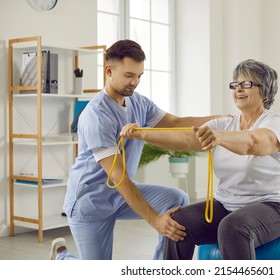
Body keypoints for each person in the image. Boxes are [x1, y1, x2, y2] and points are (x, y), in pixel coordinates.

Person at [50, 39, 224, 260]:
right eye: (129, 75)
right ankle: (62, 257)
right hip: (90, 203)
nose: (135, 82)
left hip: (119, 196)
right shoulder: (96, 115)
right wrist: (155, 220)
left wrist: (220, 121)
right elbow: (119, 177)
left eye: (139, 76)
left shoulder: (138, 103)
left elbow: (176, 122)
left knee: (177, 199)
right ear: (109, 71)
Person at [120, 59, 280, 260]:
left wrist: (220, 137)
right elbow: (187, 139)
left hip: (271, 205)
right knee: (178, 223)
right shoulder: (225, 123)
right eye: (235, 84)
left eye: (247, 84)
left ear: (265, 92)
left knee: (233, 227)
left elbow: (254, 142)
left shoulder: (276, 123)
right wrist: (143, 134)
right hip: (226, 204)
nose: (239, 89)